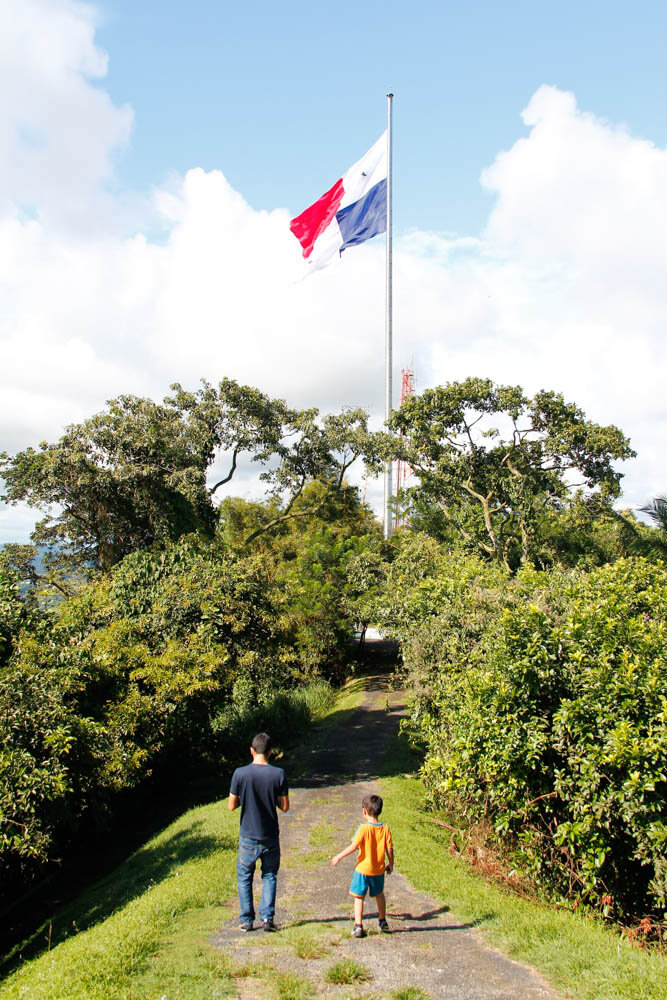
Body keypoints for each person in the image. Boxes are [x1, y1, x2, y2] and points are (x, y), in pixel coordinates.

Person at [228, 732, 289, 932]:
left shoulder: (240, 774)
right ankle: (267, 918)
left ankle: (247, 919)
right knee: (269, 875)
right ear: (270, 752)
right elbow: (285, 806)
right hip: (270, 833)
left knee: (245, 876)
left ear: (251, 751)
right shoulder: (278, 774)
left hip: (248, 833)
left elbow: (231, 805)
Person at [330, 793, 394, 938]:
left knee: (359, 897)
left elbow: (354, 846)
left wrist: (338, 856)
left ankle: (358, 925)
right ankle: (382, 921)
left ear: (364, 811)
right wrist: (391, 863)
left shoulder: (363, 828)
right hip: (378, 870)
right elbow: (389, 849)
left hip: (362, 870)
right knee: (379, 894)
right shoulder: (385, 829)